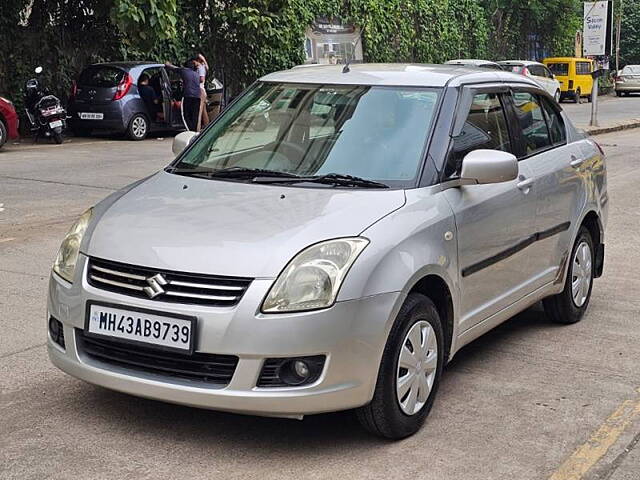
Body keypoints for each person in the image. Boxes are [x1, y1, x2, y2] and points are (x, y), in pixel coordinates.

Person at [165, 58, 201, 131]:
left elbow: (173, 68)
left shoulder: (184, 70)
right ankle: (193, 130)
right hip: (197, 96)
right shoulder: (197, 74)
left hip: (188, 96)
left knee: (185, 114)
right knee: (194, 115)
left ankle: (189, 130)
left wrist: (167, 64)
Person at [196, 53, 210, 131]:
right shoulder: (203, 67)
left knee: (199, 110)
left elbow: (201, 79)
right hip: (202, 90)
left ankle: (197, 129)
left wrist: (194, 79)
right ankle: (207, 127)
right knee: (204, 111)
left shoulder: (201, 67)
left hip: (200, 90)